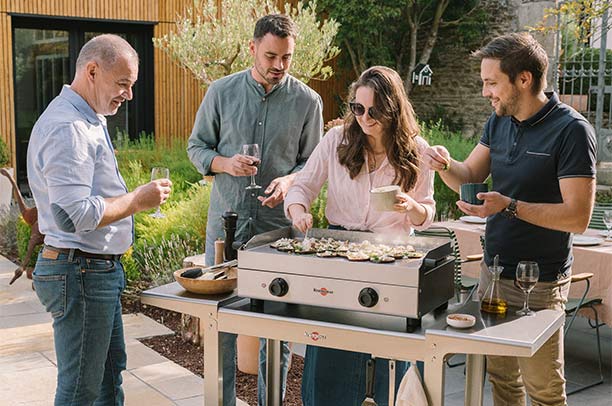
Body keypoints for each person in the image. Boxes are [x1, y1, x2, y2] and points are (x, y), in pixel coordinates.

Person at [423, 32, 596, 406]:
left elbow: (578, 218)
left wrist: (510, 205)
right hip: (495, 274)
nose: (486, 92)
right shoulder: (498, 121)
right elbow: (468, 175)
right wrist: (444, 164)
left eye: (491, 82)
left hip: (540, 282)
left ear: (524, 79)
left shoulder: (572, 131)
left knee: (544, 391)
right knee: (502, 381)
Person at [27, 34, 172, 405]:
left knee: (108, 381)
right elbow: (74, 214)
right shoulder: (69, 127)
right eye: (122, 83)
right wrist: (138, 200)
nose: (129, 94)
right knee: (81, 391)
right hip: (82, 272)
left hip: (92, 272)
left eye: (131, 84)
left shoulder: (87, 118)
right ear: (92, 71)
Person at [187, 13, 323, 406]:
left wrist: (290, 181)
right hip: (225, 228)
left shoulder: (307, 101)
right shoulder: (220, 92)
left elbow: (311, 163)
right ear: (252, 48)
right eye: (270, 56)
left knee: (276, 327)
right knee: (223, 323)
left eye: (286, 58)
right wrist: (225, 164)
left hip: (278, 230)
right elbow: (197, 148)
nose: (279, 66)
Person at [285, 66, 436, 406]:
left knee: (386, 351)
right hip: (338, 258)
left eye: (374, 111)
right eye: (358, 108)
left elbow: (427, 214)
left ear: (393, 109)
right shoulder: (336, 140)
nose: (365, 118)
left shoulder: (417, 151)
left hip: (391, 259)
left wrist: (411, 206)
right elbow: (302, 187)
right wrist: (299, 212)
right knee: (330, 345)